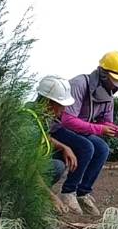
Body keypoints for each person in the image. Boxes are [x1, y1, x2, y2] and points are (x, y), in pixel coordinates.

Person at [34, 74, 112, 216]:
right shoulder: (29, 122)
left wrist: (64, 147)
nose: (63, 111)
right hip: (29, 170)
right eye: (61, 106)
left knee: (100, 149)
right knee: (61, 164)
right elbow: (28, 170)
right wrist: (52, 198)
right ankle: (42, 195)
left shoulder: (40, 117)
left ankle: (81, 194)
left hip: (37, 162)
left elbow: (45, 137)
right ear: (48, 102)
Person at [67, 51, 118, 135]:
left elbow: (104, 123)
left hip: (82, 132)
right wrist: (99, 129)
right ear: (103, 74)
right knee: (87, 147)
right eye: (114, 80)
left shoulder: (109, 94)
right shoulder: (80, 83)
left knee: (102, 147)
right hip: (62, 128)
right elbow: (68, 120)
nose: (116, 86)